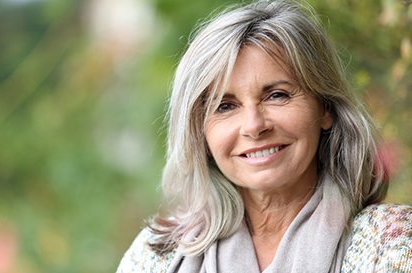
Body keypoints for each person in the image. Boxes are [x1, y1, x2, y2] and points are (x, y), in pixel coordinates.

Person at [116, 0, 412, 272]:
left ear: (325, 108)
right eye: (225, 106)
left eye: (277, 95)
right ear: (199, 132)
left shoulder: (392, 242)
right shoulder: (155, 257)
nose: (254, 126)